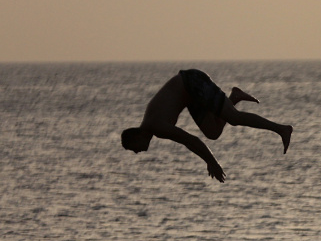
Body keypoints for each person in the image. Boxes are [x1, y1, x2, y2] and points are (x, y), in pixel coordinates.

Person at [121, 69, 292, 182]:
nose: (136, 151)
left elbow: (191, 140)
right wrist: (209, 161)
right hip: (189, 96)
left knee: (233, 117)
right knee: (213, 132)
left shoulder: (155, 126)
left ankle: (281, 129)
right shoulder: (152, 124)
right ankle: (235, 97)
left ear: (137, 136)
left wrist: (212, 162)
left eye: (133, 147)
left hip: (191, 82)